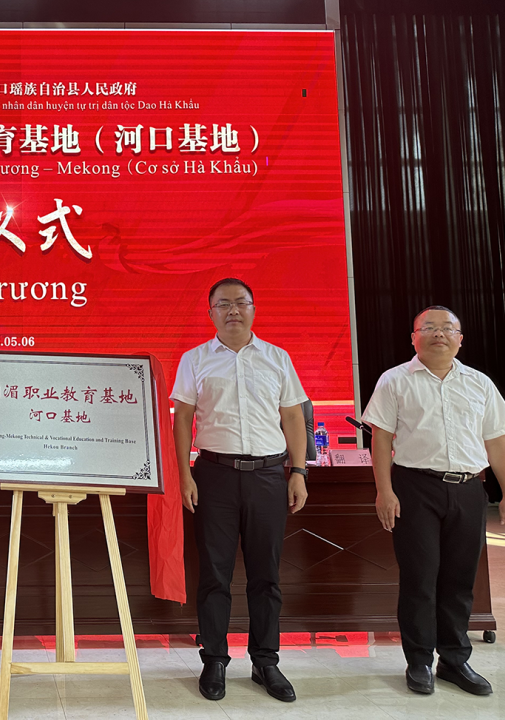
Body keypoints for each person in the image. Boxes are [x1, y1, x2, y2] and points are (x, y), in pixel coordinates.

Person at [362, 305, 505, 696]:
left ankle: (454, 659)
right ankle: (419, 661)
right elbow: (380, 438)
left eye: (447, 328)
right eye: (429, 328)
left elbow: (497, 441)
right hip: (415, 488)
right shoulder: (394, 380)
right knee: (420, 578)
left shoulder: (479, 383)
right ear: (413, 338)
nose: (439, 334)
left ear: (460, 339)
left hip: (468, 490)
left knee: (460, 579)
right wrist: (385, 490)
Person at [171, 278, 308, 703]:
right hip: (215, 475)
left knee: (266, 574)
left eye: (241, 303)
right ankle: (214, 659)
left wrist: (298, 471)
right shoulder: (195, 359)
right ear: (210, 312)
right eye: (223, 304)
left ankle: (266, 661)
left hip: (268, 476)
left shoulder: (277, 358)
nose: (233, 310)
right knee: (215, 573)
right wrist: (184, 474)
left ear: (253, 309)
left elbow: (293, 417)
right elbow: (182, 419)